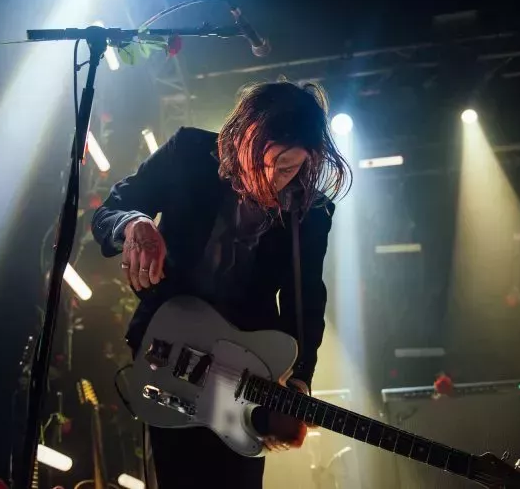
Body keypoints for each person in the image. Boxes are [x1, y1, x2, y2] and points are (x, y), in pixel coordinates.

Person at [91, 80, 350, 489]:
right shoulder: (189, 152)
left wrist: (298, 380)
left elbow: (305, 300)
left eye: (288, 169)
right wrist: (134, 223)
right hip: (169, 354)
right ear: (243, 135)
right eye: (264, 161)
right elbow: (113, 209)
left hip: (246, 371)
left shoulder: (311, 211)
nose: (272, 179)